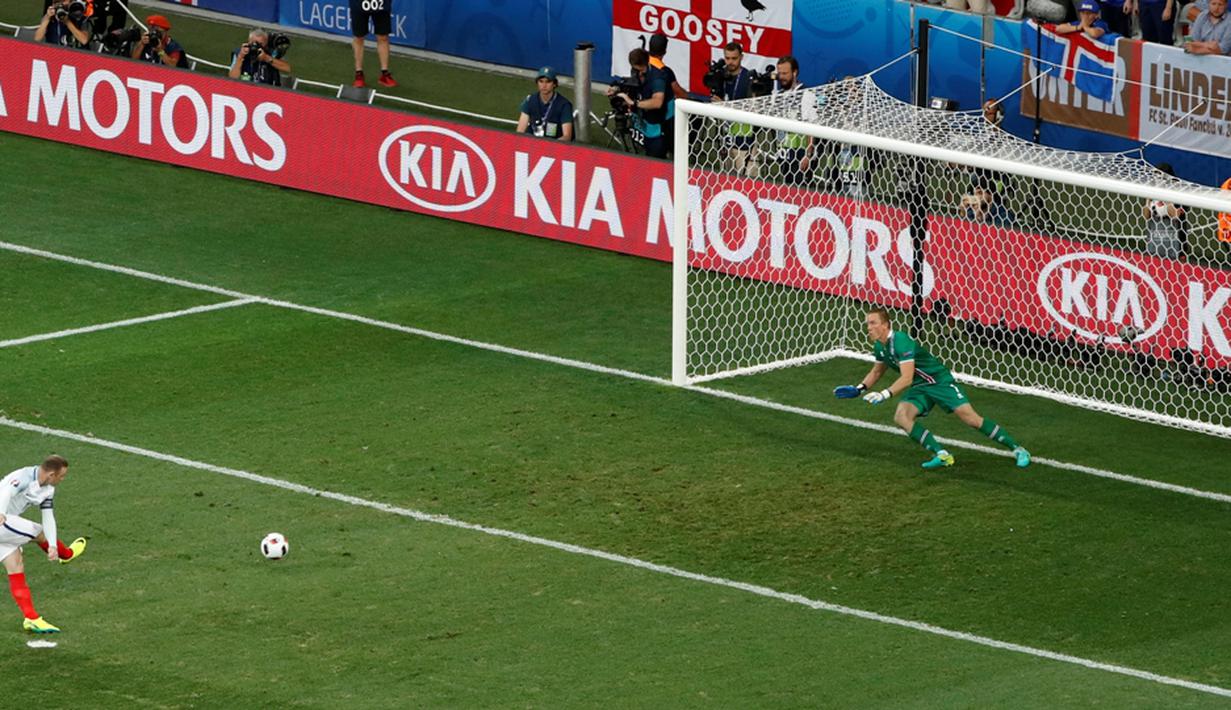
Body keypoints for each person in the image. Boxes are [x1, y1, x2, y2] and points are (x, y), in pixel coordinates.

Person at [834, 308, 1032, 470]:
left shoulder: (901, 341)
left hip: (938, 380)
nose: (868, 327)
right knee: (901, 416)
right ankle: (942, 455)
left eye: (872, 323)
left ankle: (1018, 449)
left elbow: (906, 377)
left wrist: (884, 394)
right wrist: (859, 388)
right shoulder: (880, 345)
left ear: (885, 325)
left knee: (970, 418)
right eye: (867, 323)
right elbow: (877, 371)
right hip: (921, 386)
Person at [1, 456, 87, 634]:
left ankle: (32, 619)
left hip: (6, 526)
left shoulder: (48, 490)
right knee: (36, 530)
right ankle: (66, 555)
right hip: (2, 521)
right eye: (61, 476)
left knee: (15, 564)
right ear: (51, 474)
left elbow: (48, 516)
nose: (62, 479)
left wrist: (53, 545)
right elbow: (6, 492)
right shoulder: (24, 477)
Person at [612, 48, 673, 158]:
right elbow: (633, 84)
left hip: (658, 125)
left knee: (655, 159)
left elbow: (657, 102)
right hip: (641, 123)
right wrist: (617, 89)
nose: (638, 73)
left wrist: (634, 103)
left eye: (640, 70)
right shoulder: (636, 72)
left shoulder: (658, 78)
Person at [713, 42, 757, 176]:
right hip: (725, 138)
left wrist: (725, 106)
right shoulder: (720, 76)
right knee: (726, 178)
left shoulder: (748, 78)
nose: (730, 62)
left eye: (734, 58)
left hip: (744, 139)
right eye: (727, 58)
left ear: (741, 57)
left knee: (749, 180)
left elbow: (752, 109)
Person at [771, 56, 813, 187]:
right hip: (782, 152)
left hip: (799, 154)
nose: (781, 77)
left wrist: (808, 155)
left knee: (799, 191)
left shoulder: (806, 94)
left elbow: (812, 128)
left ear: (794, 73)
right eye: (780, 73)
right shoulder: (777, 95)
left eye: (785, 73)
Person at [516, 67, 574, 141]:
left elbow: (567, 136)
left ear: (554, 84)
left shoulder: (564, 105)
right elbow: (520, 131)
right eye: (541, 81)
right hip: (532, 141)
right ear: (537, 83)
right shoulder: (530, 100)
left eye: (548, 82)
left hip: (554, 144)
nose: (544, 85)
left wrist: (548, 146)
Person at [1142, 163, 1186, 258]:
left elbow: (1176, 216)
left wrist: (1166, 198)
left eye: (1160, 176)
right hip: (1154, 243)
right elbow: (1146, 216)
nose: (1157, 179)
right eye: (1156, 176)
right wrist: (1148, 199)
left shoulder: (1178, 194)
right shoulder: (1152, 193)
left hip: (1174, 246)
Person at [350, 0, 397, 88]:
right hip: (359, 4)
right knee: (359, 37)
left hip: (381, 4)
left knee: (383, 37)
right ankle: (359, 74)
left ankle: (385, 74)